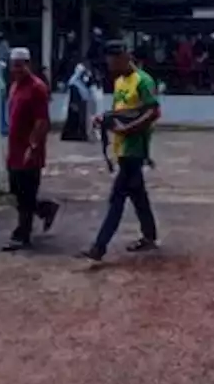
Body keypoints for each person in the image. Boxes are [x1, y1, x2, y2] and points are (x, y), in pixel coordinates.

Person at [79, 40, 160, 263]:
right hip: (122, 147)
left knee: (117, 198)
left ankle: (99, 246)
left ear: (124, 57)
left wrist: (130, 128)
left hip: (134, 148)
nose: (110, 65)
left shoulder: (143, 81)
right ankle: (150, 236)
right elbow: (121, 111)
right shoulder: (120, 82)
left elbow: (153, 112)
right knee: (137, 194)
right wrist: (105, 119)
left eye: (113, 60)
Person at [2, 48, 57, 252]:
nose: (16, 69)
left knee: (26, 192)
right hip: (14, 147)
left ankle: (22, 234)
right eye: (13, 65)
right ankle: (45, 208)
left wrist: (33, 146)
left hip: (29, 150)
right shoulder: (15, 86)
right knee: (16, 191)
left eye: (20, 65)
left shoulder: (37, 88)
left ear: (28, 64)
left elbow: (42, 121)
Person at [61, 63, 92, 142]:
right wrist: (74, 105)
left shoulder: (81, 83)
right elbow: (73, 95)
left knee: (81, 120)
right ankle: (74, 135)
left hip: (81, 103)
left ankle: (80, 135)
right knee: (75, 120)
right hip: (76, 104)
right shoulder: (74, 83)